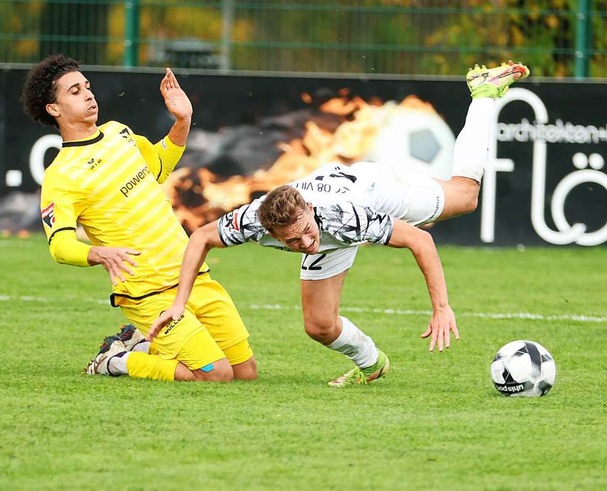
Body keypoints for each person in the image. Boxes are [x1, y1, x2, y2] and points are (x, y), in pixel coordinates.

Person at [149, 61, 530, 387]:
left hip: (373, 191)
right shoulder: (253, 220)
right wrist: (179, 304)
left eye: (304, 233)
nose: (304, 244)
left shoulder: (343, 220)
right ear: (271, 233)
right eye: (293, 241)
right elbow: (200, 237)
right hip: (333, 209)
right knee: (319, 326)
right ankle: (373, 365)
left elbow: (420, 242)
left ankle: (482, 95)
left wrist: (441, 307)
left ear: (308, 212)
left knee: (466, 197)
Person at [21, 54, 257, 383]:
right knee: (216, 374)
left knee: (245, 374)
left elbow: (158, 166)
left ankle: (145, 343)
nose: (88, 95)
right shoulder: (61, 175)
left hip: (190, 274)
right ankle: (118, 361)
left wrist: (182, 121)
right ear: (53, 109)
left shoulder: (118, 133)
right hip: (148, 291)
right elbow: (59, 245)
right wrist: (97, 253)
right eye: (74, 91)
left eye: (87, 87)